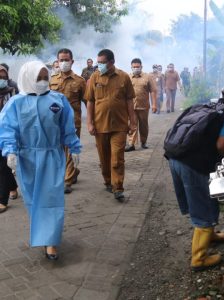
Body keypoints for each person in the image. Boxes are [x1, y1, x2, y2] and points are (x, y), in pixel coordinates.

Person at [0, 61, 81, 259]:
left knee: (52, 196)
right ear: (28, 78)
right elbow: (8, 128)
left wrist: (74, 146)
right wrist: (10, 150)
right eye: (39, 78)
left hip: (52, 154)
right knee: (34, 198)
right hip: (27, 157)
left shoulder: (58, 100)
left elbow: (67, 126)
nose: (44, 82)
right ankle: (44, 235)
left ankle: (51, 241)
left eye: (46, 77)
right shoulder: (16, 103)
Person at [167, 80, 224, 270]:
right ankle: (199, 259)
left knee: (210, 196)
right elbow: (222, 144)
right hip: (193, 165)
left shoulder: (208, 105)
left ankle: (210, 235)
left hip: (176, 158)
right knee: (202, 207)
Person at [85, 49, 136, 202]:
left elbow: (129, 101)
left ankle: (118, 187)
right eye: (98, 62)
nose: (99, 65)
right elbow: (90, 101)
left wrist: (132, 122)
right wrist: (89, 123)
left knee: (117, 159)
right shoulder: (94, 77)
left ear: (112, 62)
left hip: (119, 125)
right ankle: (108, 180)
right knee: (104, 158)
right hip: (100, 126)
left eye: (102, 62)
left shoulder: (124, 77)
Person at [50, 48, 86, 194]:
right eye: (61, 60)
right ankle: (73, 172)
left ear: (72, 61)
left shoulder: (80, 81)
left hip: (73, 122)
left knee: (70, 150)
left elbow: (87, 101)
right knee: (58, 151)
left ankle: (67, 180)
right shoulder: (51, 80)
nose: (64, 62)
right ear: (57, 62)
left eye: (66, 60)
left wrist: (93, 120)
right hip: (55, 123)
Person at [125, 58, 157, 152]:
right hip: (131, 107)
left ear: (141, 67)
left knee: (144, 126)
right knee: (132, 125)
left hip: (144, 106)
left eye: (137, 67)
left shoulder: (147, 77)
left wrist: (154, 104)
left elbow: (153, 91)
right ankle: (131, 144)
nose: (136, 68)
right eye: (134, 67)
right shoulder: (128, 77)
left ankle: (144, 142)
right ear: (131, 67)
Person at [0, 65, 18, 213]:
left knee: (3, 165)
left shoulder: (13, 89)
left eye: (4, 76)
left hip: (8, 132)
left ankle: (2, 200)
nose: (2, 79)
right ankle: (12, 186)